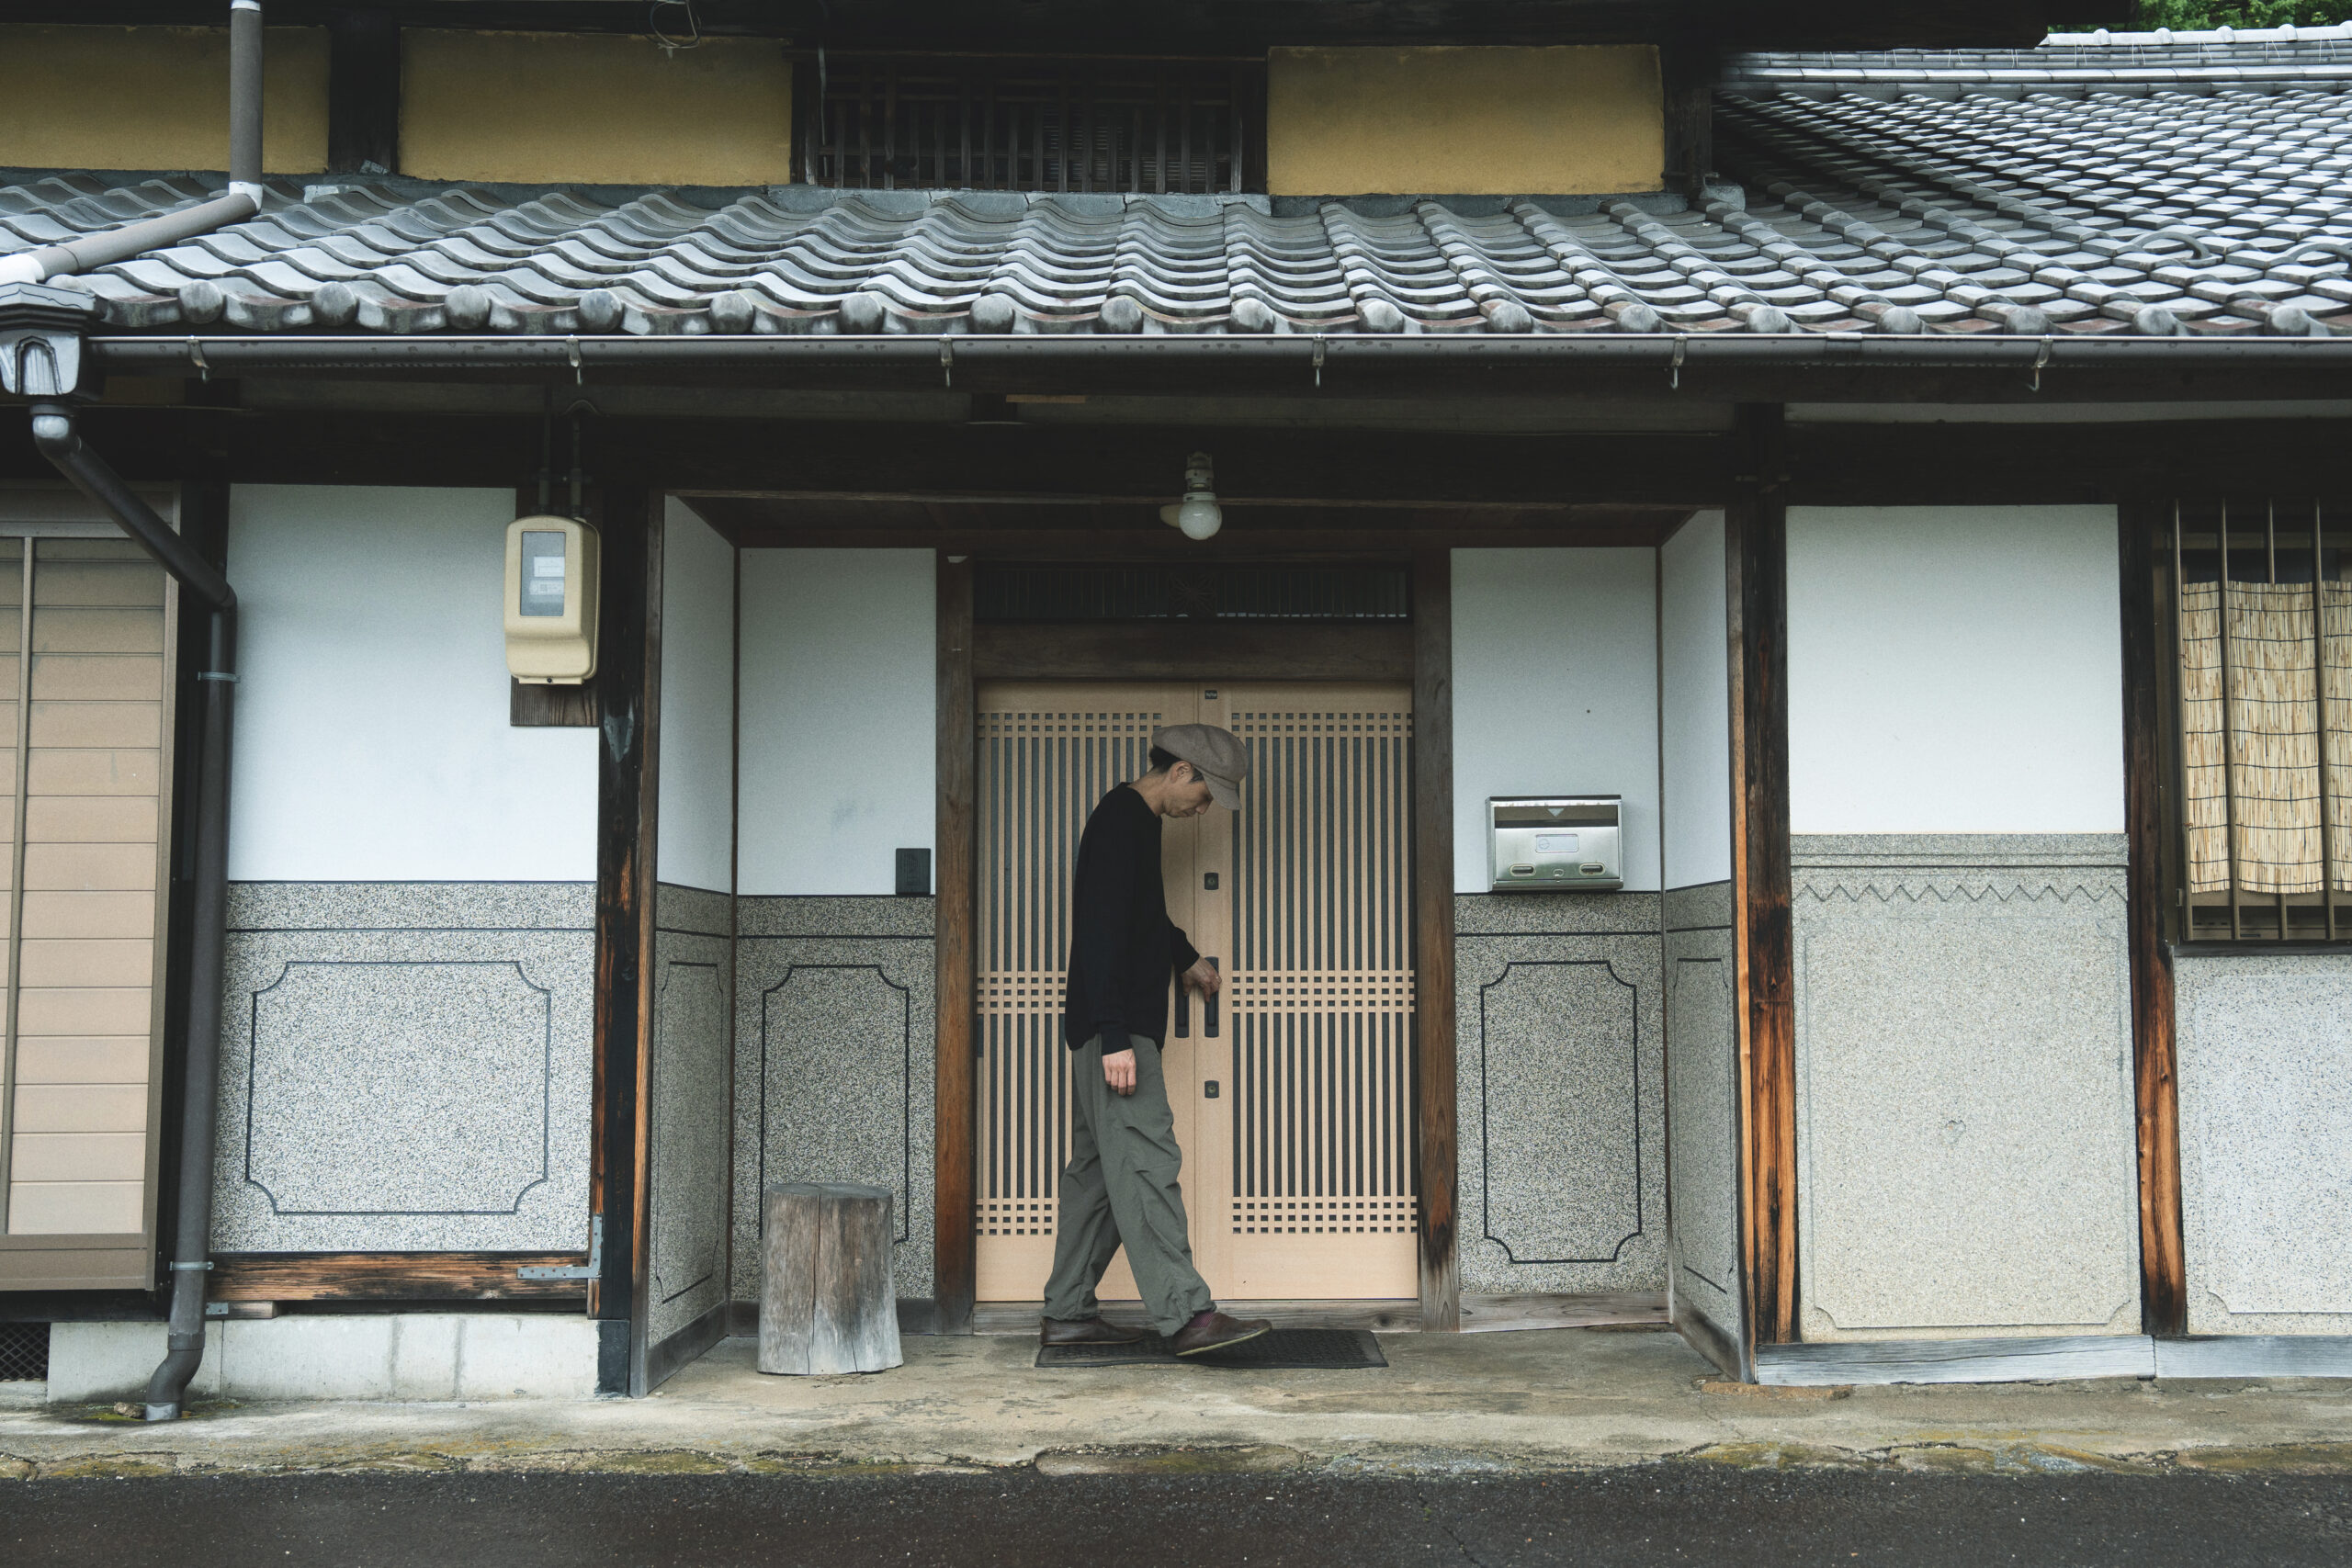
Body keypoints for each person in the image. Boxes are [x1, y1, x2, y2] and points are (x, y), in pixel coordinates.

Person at [1039, 722, 1273, 1357]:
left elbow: (1139, 917)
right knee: (1145, 1164)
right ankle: (1188, 1312)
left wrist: (1187, 957)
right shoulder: (1122, 821)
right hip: (1115, 1033)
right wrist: (1116, 1033)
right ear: (1179, 772)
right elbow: (1098, 929)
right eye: (1204, 795)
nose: (1203, 811)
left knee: (1099, 1178)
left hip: (1104, 1028)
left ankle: (1067, 1312)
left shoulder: (1134, 824)